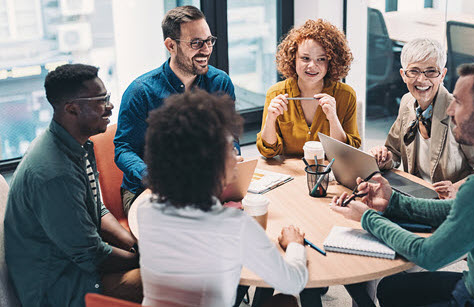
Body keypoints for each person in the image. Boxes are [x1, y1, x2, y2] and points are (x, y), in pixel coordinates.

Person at [331, 61, 474, 306]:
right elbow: (458, 209)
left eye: (459, 102)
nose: (450, 110)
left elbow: (428, 255)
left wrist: (368, 217)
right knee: (392, 288)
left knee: (393, 288)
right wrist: (392, 202)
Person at [137, 89, 308, 306]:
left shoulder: (146, 210)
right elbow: (293, 282)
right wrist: (295, 245)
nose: (236, 156)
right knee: (286, 301)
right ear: (207, 163)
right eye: (228, 148)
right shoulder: (233, 225)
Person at [4, 64, 142, 306]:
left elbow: (96, 208)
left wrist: (133, 244)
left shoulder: (75, 144)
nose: (110, 107)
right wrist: (144, 259)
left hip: (73, 265)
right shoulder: (54, 173)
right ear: (72, 109)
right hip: (59, 289)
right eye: (102, 100)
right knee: (169, 278)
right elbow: (91, 255)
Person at [114, 5, 238, 216]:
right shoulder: (140, 92)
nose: (206, 50)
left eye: (209, 41)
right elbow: (123, 149)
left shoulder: (221, 83)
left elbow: (230, 136)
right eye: (196, 43)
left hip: (204, 184)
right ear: (171, 45)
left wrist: (233, 155)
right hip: (148, 190)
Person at [368, 38, 474, 199]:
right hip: (414, 195)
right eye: (414, 71)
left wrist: (457, 188)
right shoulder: (407, 102)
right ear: (403, 75)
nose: (422, 79)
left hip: (449, 204)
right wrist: (382, 158)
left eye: (431, 71)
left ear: (442, 75)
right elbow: (393, 152)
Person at [257, 19, 361, 158]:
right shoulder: (276, 93)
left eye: (321, 59)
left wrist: (332, 118)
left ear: (331, 61)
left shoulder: (346, 95)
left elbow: (347, 153)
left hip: (329, 174)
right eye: (305, 58)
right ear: (293, 58)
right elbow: (268, 151)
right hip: (290, 174)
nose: (312, 66)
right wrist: (270, 119)